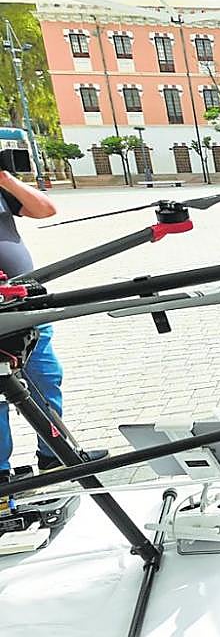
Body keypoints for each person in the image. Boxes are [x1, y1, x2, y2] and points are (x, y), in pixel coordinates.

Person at [0, 169, 106, 478]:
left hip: (24, 303)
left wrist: (6, 179)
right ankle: (2, 475)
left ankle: (55, 454)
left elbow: (44, 210)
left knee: (45, 380)